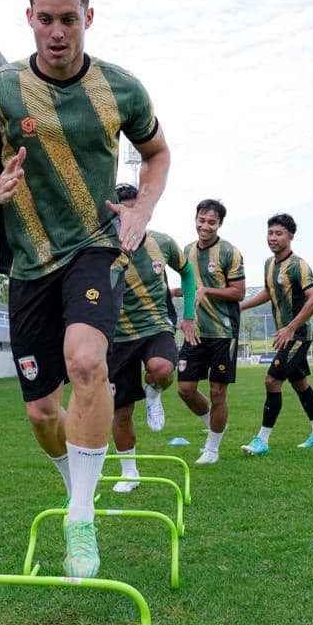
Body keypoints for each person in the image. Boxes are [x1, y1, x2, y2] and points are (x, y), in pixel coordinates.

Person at [0, 0, 170, 579]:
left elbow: (156, 153)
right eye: (45, 18)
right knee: (40, 414)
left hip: (95, 247)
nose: (57, 31)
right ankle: (75, 484)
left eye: (68, 20)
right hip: (29, 262)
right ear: (29, 17)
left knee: (87, 362)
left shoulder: (121, 89)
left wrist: (142, 206)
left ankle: (81, 515)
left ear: (88, 19)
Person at [108, 184, 198, 492]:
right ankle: (129, 472)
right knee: (120, 412)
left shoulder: (162, 242)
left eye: (136, 210)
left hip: (156, 325)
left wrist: (188, 315)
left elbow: (187, 274)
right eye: (123, 210)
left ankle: (154, 393)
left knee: (161, 369)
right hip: (117, 337)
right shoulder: (103, 246)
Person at [237, 214, 313, 454]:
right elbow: (269, 292)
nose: (273, 238)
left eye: (278, 234)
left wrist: (290, 327)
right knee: (299, 383)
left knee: (272, 381)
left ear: (290, 236)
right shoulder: (270, 264)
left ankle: (262, 440)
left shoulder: (299, 265)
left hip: (298, 334)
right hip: (288, 335)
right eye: (270, 233)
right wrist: (241, 306)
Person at [174, 199, 245, 465]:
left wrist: (208, 290)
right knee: (185, 388)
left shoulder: (230, 252)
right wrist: (170, 292)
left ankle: (212, 448)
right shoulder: (186, 251)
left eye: (211, 222)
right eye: (202, 221)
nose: (205, 227)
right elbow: (190, 287)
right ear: (195, 219)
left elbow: (237, 292)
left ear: (220, 224)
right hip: (195, 330)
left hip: (223, 332)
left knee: (217, 391)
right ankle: (214, 423)